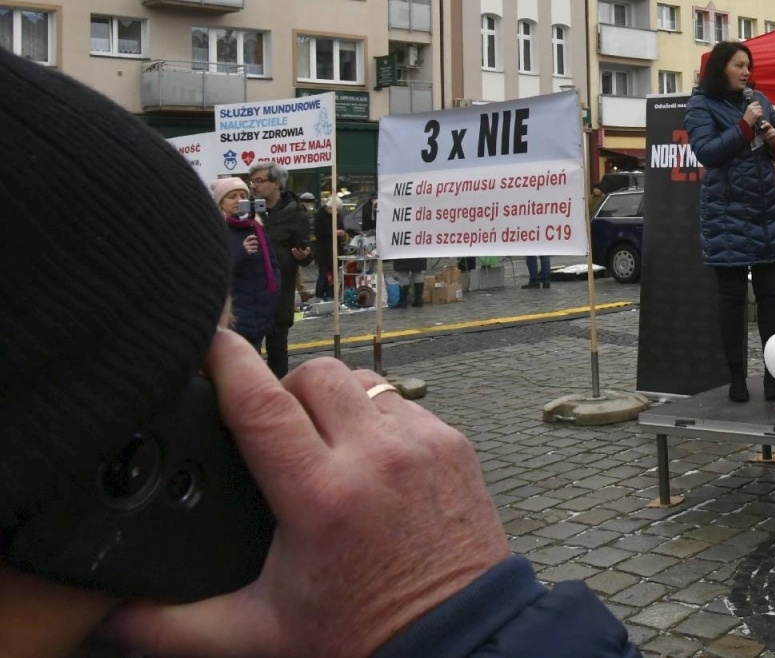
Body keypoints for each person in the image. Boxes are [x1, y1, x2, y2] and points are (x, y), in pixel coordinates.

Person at [0, 48, 640, 658]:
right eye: (188, 387)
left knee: (276, 349)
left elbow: (295, 261)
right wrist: (461, 627)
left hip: (276, 306)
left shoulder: (272, 223)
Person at [684, 40, 775, 402]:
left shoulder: (757, 99)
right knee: (732, 300)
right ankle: (736, 378)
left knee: (770, 298)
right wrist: (745, 127)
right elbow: (708, 153)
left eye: (749, 65)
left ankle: (774, 376)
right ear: (720, 68)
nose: (747, 72)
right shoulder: (701, 105)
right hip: (727, 215)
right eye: (739, 65)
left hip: (767, 214)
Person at [248, 161, 311, 379]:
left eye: (260, 181)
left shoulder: (296, 212)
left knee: (277, 350)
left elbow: (305, 253)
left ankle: (279, 395)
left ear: (276, 184)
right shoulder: (248, 210)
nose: (254, 186)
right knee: (249, 351)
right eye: (253, 181)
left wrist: (304, 256)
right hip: (251, 291)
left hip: (279, 290)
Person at [213, 176, 277, 353]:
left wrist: (272, 293)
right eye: (232, 196)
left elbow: (272, 264)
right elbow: (215, 270)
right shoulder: (216, 229)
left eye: (242, 195)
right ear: (220, 201)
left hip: (259, 311)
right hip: (232, 314)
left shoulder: (255, 226)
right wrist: (241, 253)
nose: (239, 201)